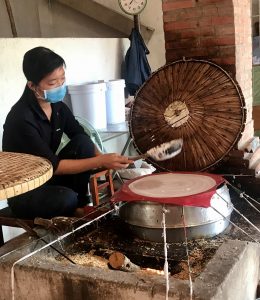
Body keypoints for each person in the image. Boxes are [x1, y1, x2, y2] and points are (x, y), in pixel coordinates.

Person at [2, 46, 132, 219]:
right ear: (32, 85)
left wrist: (103, 159)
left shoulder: (58, 107)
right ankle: (74, 207)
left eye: (62, 79)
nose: (60, 86)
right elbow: (53, 166)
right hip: (26, 191)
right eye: (52, 83)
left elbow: (79, 134)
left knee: (83, 142)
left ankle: (79, 205)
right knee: (66, 198)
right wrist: (100, 160)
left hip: (48, 179)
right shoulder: (21, 119)